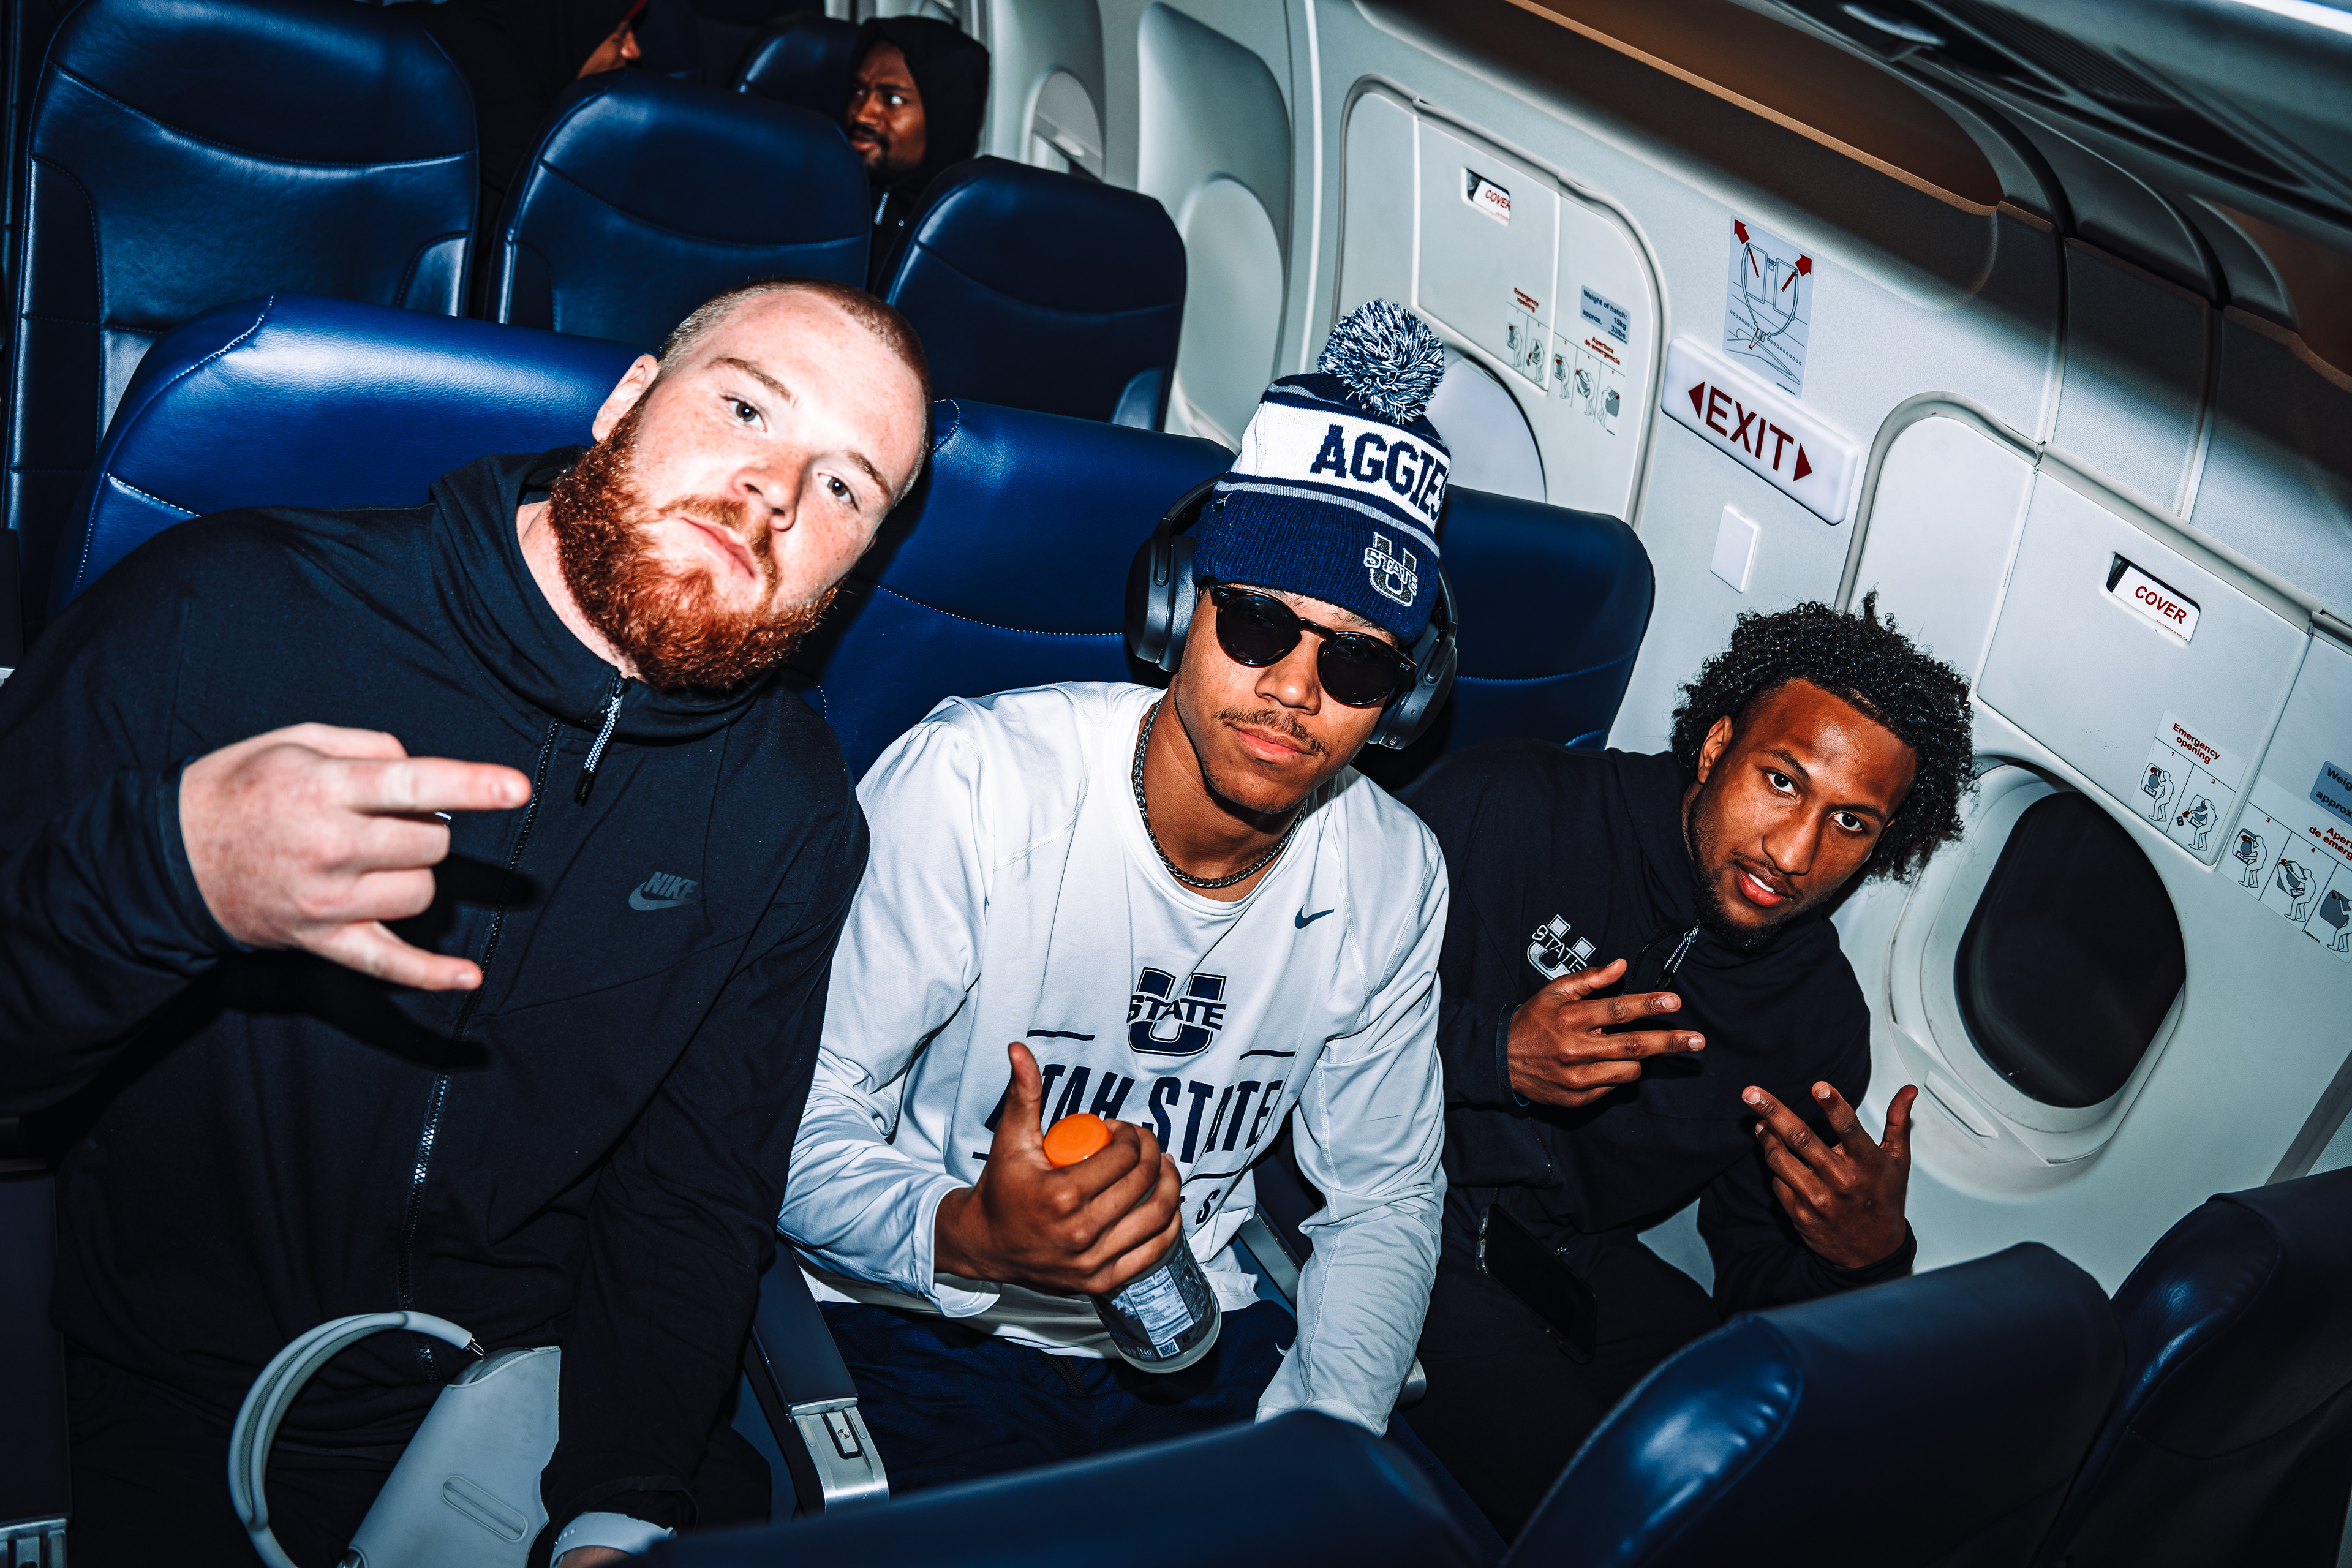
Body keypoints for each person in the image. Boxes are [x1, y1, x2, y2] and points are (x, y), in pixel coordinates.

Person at [0, 278, 929, 1566]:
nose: (774, 491)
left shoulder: (792, 808)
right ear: (627, 400)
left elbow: (692, 1191)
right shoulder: (220, 609)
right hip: (166, 1400)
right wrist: (169, 872)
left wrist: (622, 1499)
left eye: (844, 488)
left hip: (518, 1413)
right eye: (747, 408)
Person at [778, 301, 1468, 1501]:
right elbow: (794, 1125)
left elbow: (1386, 1196)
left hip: (1194, 1328)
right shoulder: (974, 785)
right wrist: (970, 1231)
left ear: (1398, 703)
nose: (1294, 689)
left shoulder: (1394, 874)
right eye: (1258, 623)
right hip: (929, 1318)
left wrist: (1319, 1445)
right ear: (1177, 608)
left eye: (1357, 661)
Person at [1400, 599, 1975, 1538]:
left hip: (1558, 1252)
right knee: (1614, 1519)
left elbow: (1754, 1275)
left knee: (1797, 1466)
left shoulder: (1816, 1024)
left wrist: (1860, 1259)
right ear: (1716, 748)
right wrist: (1493, 1051)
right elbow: (1296, 1016)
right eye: (1782, 781)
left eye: (1851, 822)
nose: (1795, 853)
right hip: (1384, 1200)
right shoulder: (1509, 805)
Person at [424, 0, 647, 266]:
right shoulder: (487, 86)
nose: (633, 51)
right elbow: (575, 212)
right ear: (567, 29)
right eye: (619, 35)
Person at [843, 16, 989, 289]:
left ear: (945, 118)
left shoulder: (969, 239)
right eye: (859, 91)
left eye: (893, 99)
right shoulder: (827, 193)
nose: (862, 114)